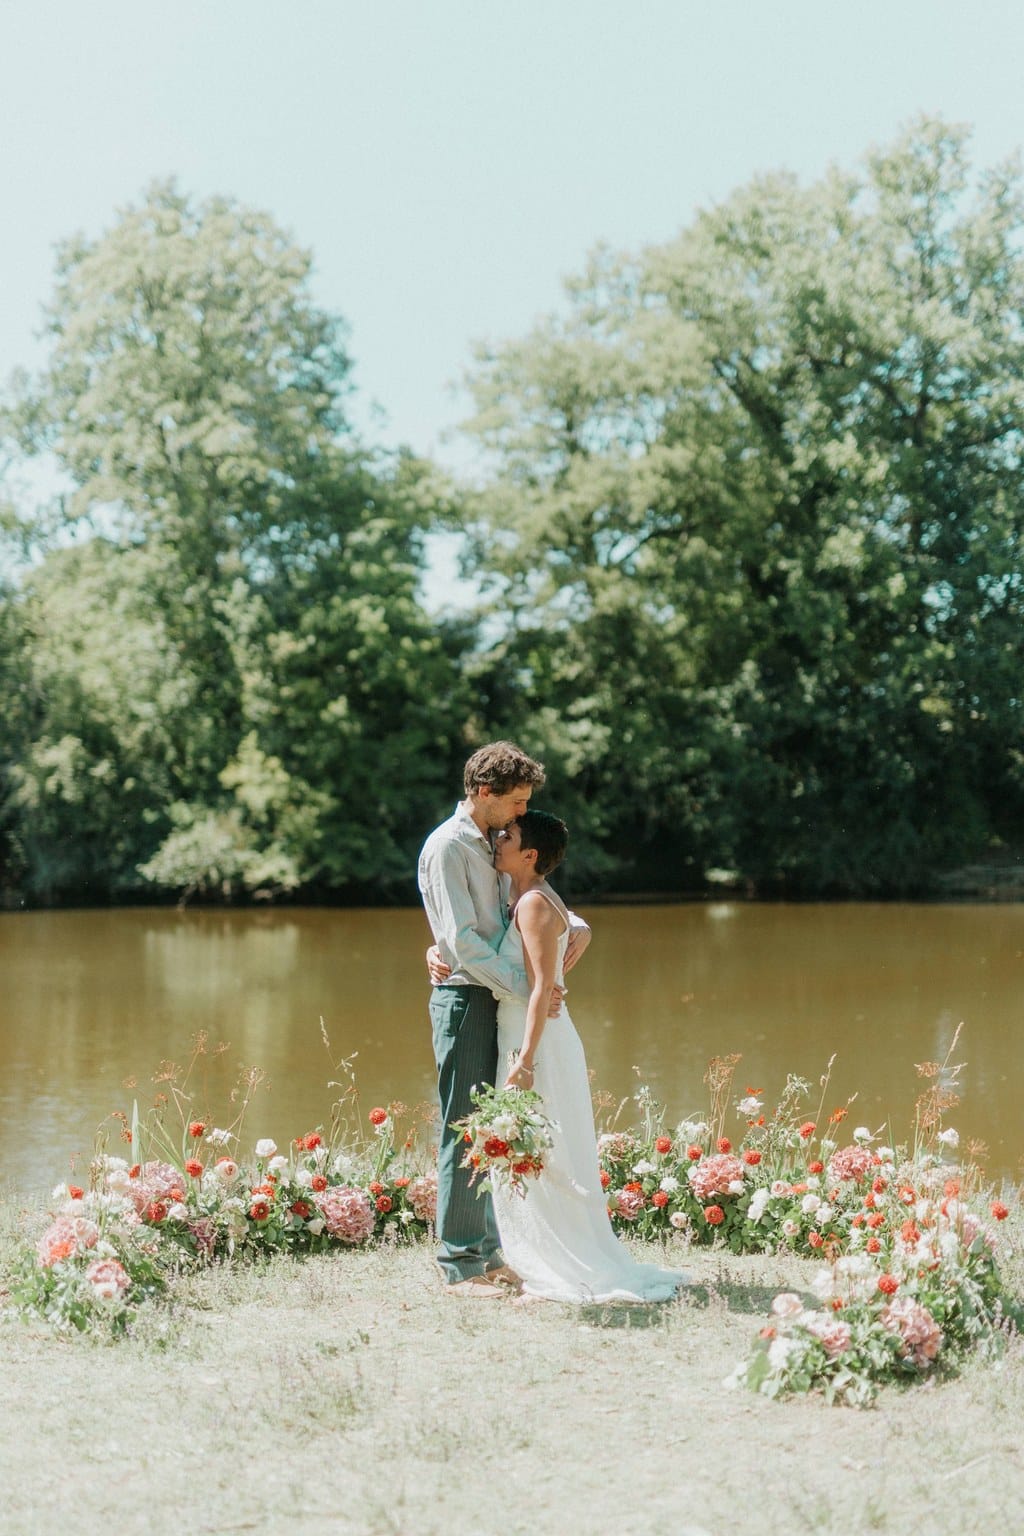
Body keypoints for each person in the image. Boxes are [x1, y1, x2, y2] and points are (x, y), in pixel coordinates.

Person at [490, 809, 686, 1303]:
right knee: (537, 1143)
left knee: (543, 1145)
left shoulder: (532, 904)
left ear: (529, 854)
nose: (497, 839)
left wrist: (525, 1060)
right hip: (532, 1031)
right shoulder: (523, 895)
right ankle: (530, 1248)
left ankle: (559, 1256)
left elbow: (540, 987)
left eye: (507, 836)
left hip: (537, 1039)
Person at [417, 742, 591, 1297]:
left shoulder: (495, 843)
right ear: (484, 793)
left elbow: (526, 898)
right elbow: (464, 941)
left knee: (493, 1127)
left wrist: (576, 922)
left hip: (497, 1000)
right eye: (515, 802)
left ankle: (489, 1252)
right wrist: (533, 990)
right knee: (464, 1126)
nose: (521, 814)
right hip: (467, 997)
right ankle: (462, 1263)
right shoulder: (448, 847)